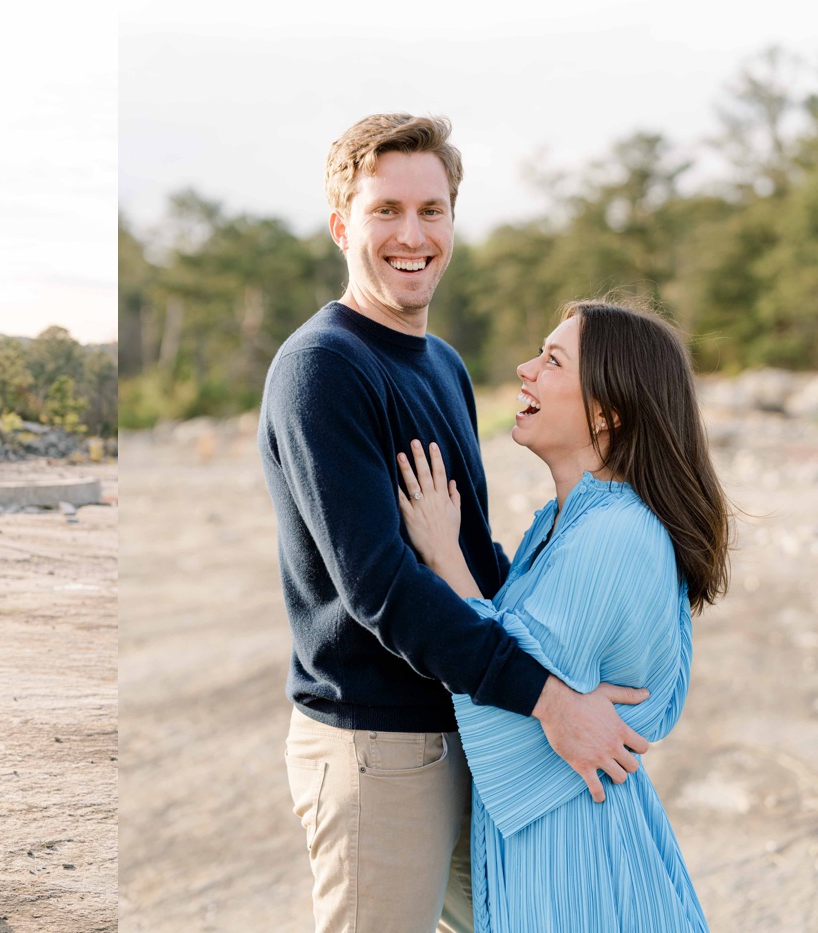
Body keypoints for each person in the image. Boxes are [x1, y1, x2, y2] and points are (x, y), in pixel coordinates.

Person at [258, 113, 651, 933]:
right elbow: (384, 590)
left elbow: (474, 554)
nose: (413, 234)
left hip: (472, 723)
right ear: (342, 226)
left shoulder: (441, 363)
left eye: (431, 210)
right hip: (380, 748)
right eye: (386, 211)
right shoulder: (322, 367)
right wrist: (551, 700)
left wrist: (571, 671)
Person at [395, 300, 728, 931]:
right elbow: (528, 666)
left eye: (552, 360)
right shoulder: (565, 519)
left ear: (608, 411)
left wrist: (443, 553)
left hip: (579, 845)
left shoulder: (616, 533)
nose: (525, 369)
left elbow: (510, 687)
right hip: (560, 828)